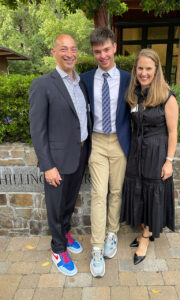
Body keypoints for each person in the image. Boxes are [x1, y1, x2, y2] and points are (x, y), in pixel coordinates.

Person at [29, 34, 92, 276]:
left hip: (80, 153)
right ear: (54, 52)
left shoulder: (80, 83)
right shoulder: (43, 84)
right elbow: (38, 130)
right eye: (63, 49)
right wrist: (47, 165)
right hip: (56, 160)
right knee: (55, 206)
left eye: (73, 49)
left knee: (68, 202)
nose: (69, 53)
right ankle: (57, 248)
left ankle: (64, 233)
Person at [120, 48, 179, 265]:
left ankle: (146, 236)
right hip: (137, 153)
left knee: (152, 194)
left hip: (156, 153)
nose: (144, 73)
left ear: (156, 70)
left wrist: (169, 161)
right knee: (140, 193)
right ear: (135, 70)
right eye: (140, 68)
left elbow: (173, 132)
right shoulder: (133, 94)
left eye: (148, 68)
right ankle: (144, 230)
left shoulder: (166, 96)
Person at [80, 27, 130, 278]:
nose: (103, 55)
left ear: (114, 48)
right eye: (98, 51)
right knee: (99, 193)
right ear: (93, 52)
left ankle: (112, 232)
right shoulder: (86, 79)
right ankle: (97, 248)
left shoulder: (129, 78)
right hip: (97, 141)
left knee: (117, 191)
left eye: (107, 49)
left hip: (120, 141)